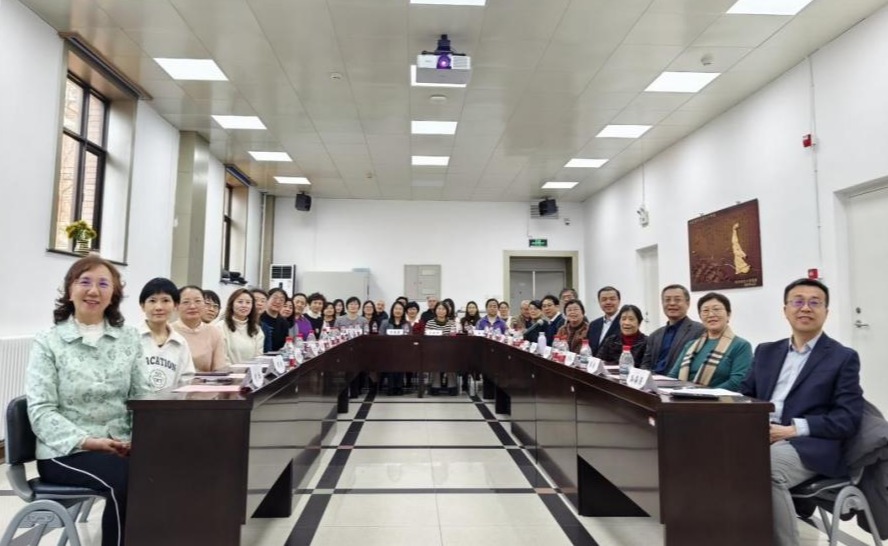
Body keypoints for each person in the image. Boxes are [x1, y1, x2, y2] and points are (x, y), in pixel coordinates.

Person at [26, 255, 150, 546]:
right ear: (70, 290)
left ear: (113, 295)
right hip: (66, 451)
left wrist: (138, 439)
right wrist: (88, 441)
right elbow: (41, 411)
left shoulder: (129, 338)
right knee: (128, 480)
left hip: (121, 445)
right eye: (85, 282)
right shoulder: (48, 341)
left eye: (103, 284)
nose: (93, 291)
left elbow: (141, 397)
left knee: (167, 468)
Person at [740, 278, 864, 546]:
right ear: (785, 310)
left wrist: (793, 430)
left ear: (826, 312)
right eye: (797, 301)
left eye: (814, 302)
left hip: (809, 444)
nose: (805, 308)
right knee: (710, 456)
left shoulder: (842, 357)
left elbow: (848, 418)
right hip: (760, 435)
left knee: (765, 468)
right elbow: (745, 396)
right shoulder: (766, 351)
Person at [667, 292, 752, 391]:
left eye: (716, 309)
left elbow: (736, 382)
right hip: (684, 396)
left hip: (719, 399)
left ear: (728, 315)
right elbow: (673, 376)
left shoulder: (741, 345)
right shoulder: (690, 345)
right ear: (700, 317)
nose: (711, 315)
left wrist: (704, 394)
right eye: (705, 311)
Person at [138, 277, 195, 392]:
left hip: (170, 402)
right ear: (143, 305)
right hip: (135, 403)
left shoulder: (180, 343)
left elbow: (187, 381)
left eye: (165, 300)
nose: (159, 307)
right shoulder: (132, 338)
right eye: (152, 301)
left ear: (175, 305)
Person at [640, 284, 705, 374]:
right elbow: (645, 365)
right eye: (667, 300)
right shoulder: (654, 335)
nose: (672, 303)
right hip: (653, 380)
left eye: (677, 300)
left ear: (688, 303)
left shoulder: (699, 330)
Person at [171, 285, 226, 372]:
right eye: (186, 302)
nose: (192, 306)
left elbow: (219, 370)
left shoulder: (214, 332)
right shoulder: (168, 331)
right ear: (176, 306)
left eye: (198, 301)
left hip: (205, 381)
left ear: (204, 305)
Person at [216, 288, 264, 365]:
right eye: (240, 302)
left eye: (248, 302)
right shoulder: (220, 327)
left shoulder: (256, 329)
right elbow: (222, 357)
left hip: (250, 371)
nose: (244, 305)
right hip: (227, 371)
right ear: (232, 304)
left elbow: (258, 357)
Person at [424, 302, 458, 395]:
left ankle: (452, 386)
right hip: (434, 351)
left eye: (443, 309)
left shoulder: (451, 323)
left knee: (451, 360)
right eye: (439, 309)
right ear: (435, 310)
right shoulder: (430, 323)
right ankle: (435, 386)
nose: (441, 311)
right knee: (435, 360)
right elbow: (427, 337)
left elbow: (453, 337)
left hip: (449, 351)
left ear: (447, 311)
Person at [379, 301, 410, 395]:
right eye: (396, 308)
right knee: (390, 363)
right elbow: (381, 337)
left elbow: (410, 338)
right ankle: (391, 387)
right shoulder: (385, 322)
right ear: (392, 310)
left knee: (401, 363)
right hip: (388, 351)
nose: (398, 311)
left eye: (400, 309)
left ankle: (399, 387)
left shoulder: (406, 323)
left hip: (402, 351)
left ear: (403, 311)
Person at [587, 286, 621, 356]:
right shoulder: (593, 325)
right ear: (599, 302)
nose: (608, 302)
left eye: (612, 299)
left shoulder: (625, 324)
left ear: (619, 301)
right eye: (604, 299)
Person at [259, 287, 290, 352]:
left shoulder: (284, 323)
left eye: (281, 300)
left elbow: (284, 345)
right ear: (267, 299)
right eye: (275, 298)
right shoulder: (259, 318)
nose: (278, 302)